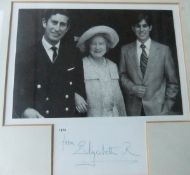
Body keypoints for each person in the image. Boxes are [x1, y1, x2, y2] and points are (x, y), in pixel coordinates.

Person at [13, 9, 87, 118]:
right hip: (40, 117)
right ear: (44, 23)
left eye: (62, 24)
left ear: (67, 29)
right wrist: (25, 109)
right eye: (54, 22)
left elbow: (79, 84)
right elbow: (15, 90)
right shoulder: (26, 55)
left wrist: (76, 94)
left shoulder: (73, 54)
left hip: (66, 116)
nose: (57, 28)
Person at [119, 12, 179, 116]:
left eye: (145, 26)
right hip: (133, 110)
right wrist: (132, 88)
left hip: (158, 110)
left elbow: (173, 82)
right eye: (138, 26)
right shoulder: (125, 50)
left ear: (150, 28)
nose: (141, 30)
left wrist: (167, 106)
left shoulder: (164, 50)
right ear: (133, 28)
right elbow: (121, 75)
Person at [76, 25, 126, 117]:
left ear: (107, 46)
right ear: (88, 45)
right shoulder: (81, 65)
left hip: (114, 117)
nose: (97, 47)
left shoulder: (113, 65)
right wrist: (75, 95)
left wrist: (123, 118)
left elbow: (119, 98)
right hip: (93, 118)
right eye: (93, 44)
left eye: (101, 43)